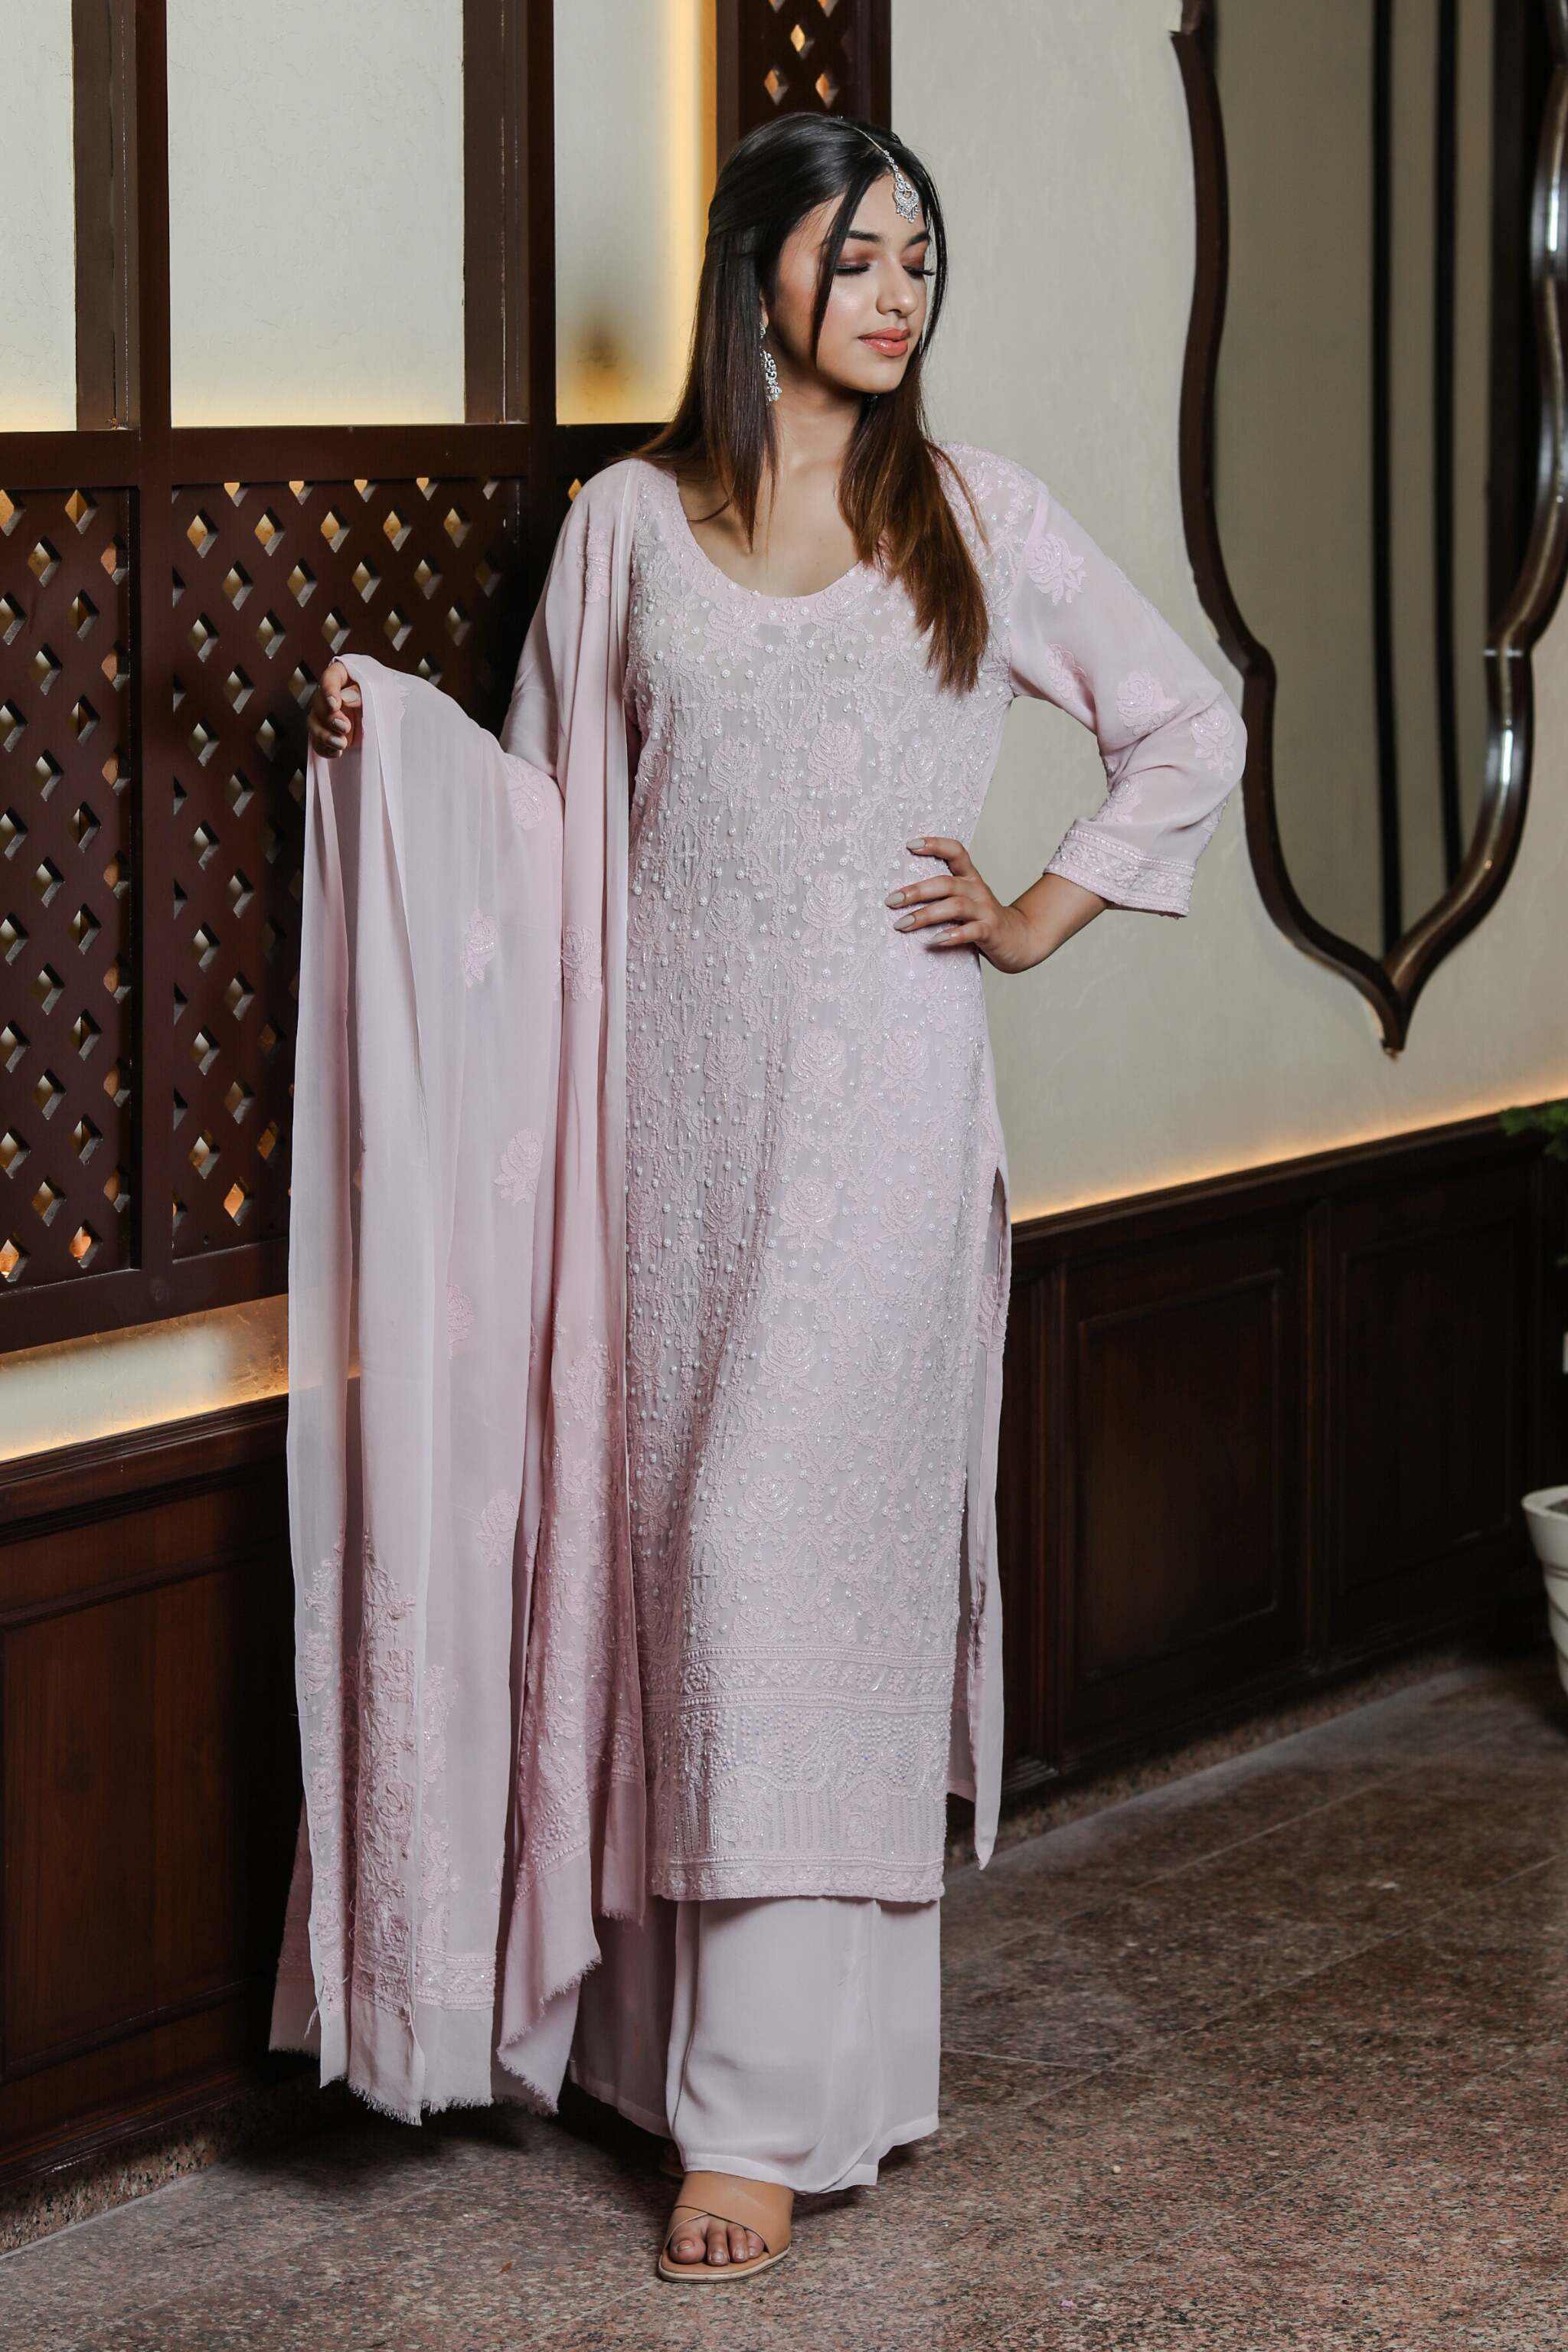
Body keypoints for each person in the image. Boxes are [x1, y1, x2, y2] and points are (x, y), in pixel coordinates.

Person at [297, 113, 1244, 2284]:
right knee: (672, 1556)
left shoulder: (976, 519)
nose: (902, 290)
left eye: (925, 255)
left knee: (774, 1564)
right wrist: (405, 752)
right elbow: (544, 826)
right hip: (668, 1126)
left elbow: (1184, 728)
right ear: (759, 286)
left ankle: (753, 2123)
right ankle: (712, 2065)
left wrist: (1031, 915)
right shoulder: (631, 527)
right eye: (859, 253)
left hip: (888, 1132)